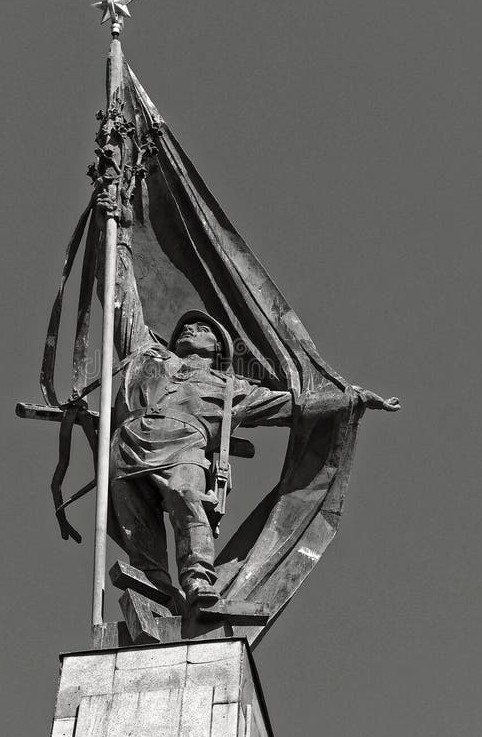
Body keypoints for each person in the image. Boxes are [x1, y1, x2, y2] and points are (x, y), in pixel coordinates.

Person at [95, 192, 399, 607]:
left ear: (216, 349)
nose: (188, 330)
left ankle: (199, 580)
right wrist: (120, 235)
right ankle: (154, 586)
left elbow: (293, 406)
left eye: (199, 330)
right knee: (135, 526)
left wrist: (350, 399)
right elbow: (121, 301)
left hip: (183, 447)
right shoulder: (148, 354)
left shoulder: (229, 389)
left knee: (186, 496)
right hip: (128, 444)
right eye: (186, 328)